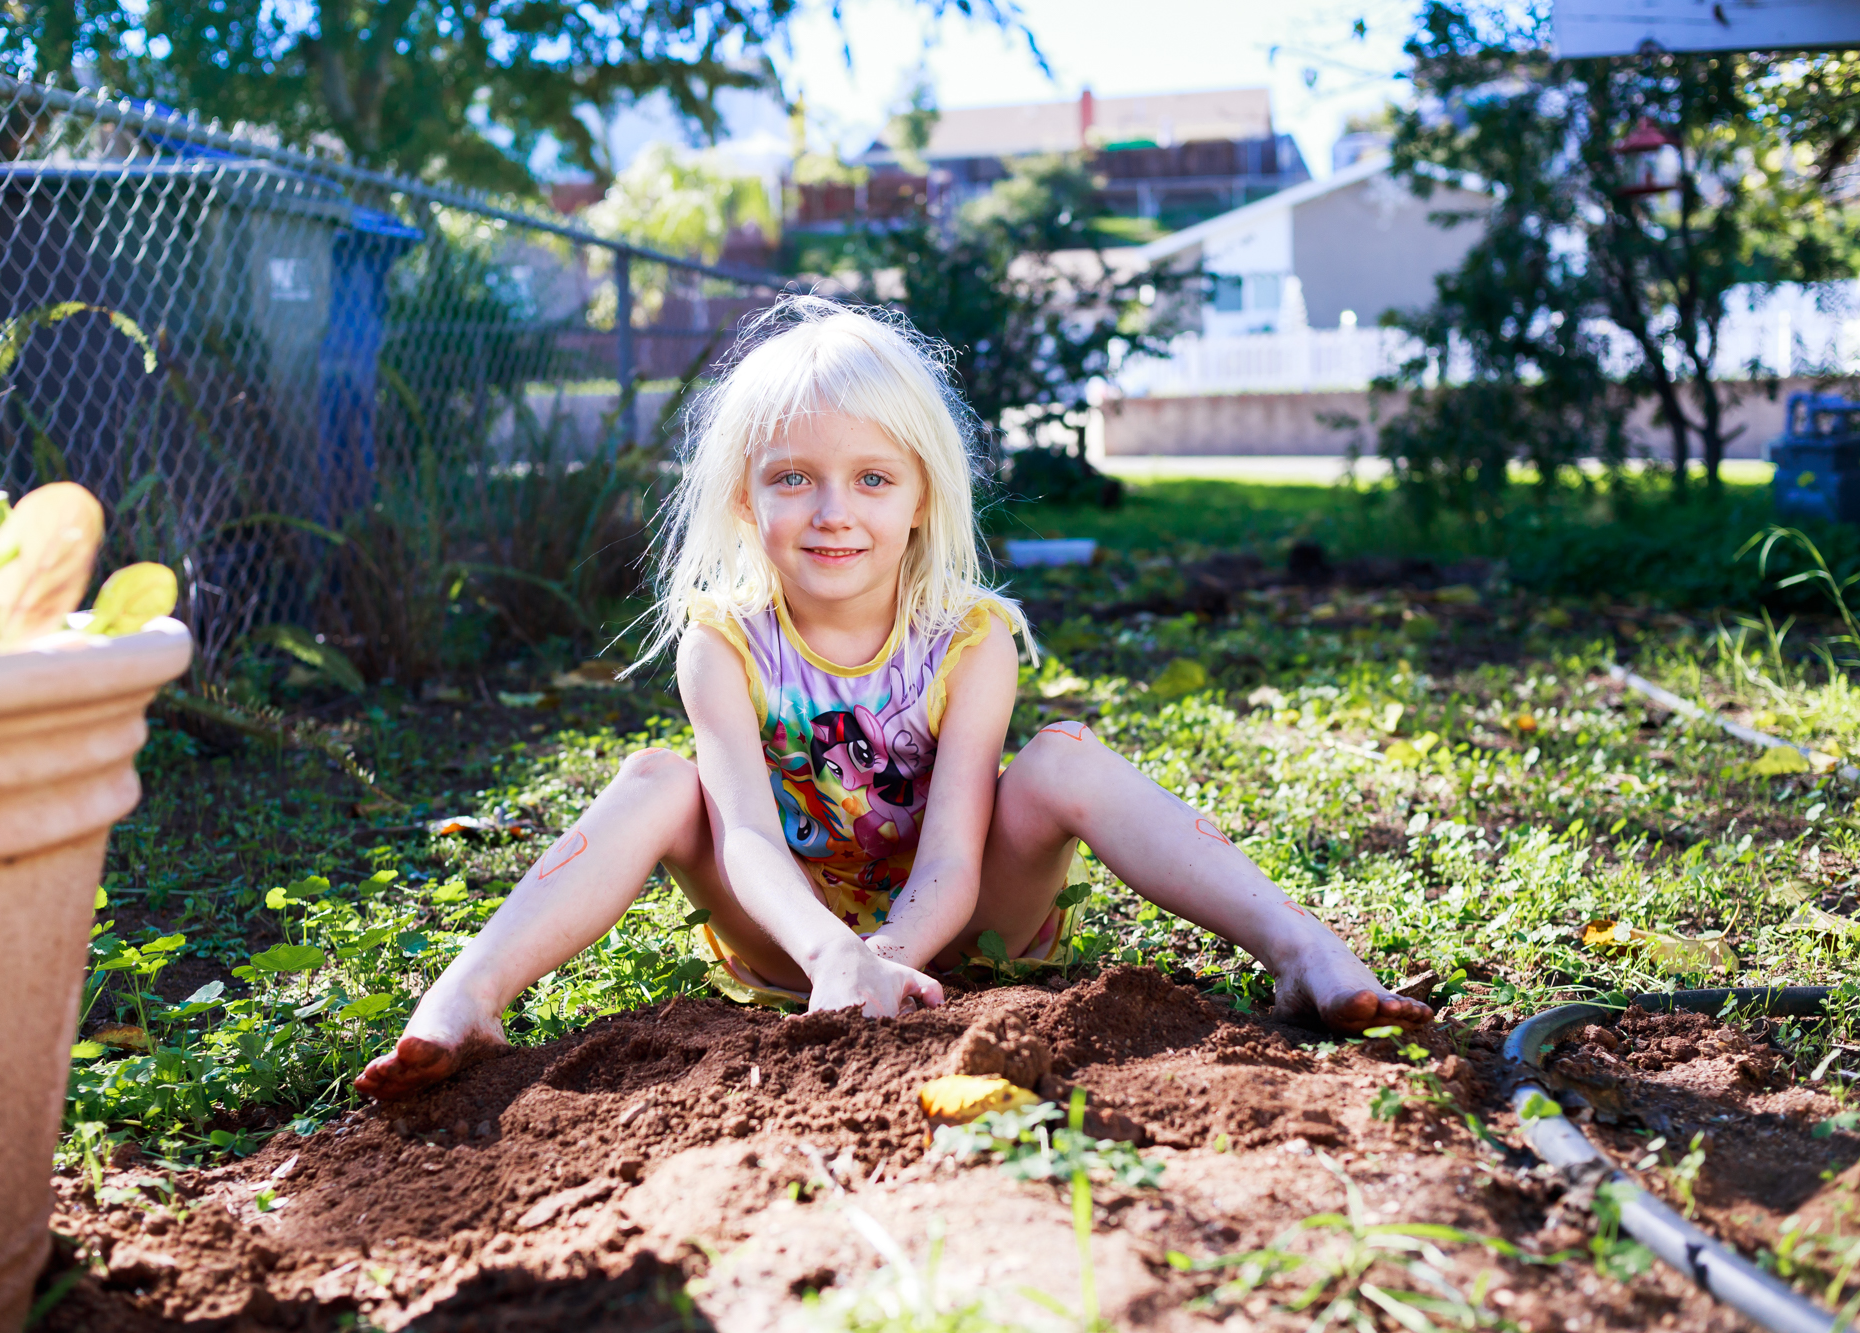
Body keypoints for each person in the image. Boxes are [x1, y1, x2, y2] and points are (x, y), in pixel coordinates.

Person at [355, 297, 1429, 1102]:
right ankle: (464, 998)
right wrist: (830, 957)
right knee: (654, 782)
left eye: (872, 479)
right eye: (793, 479)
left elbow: (957, 853)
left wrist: (888, 957)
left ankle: (1302, 953)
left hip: (965, 932)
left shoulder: (969, 640)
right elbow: (742, 838)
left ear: (922, 497)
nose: (833, 513)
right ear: (744, 494)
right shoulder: (722, 644)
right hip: (789, 948)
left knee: (1062, 758)